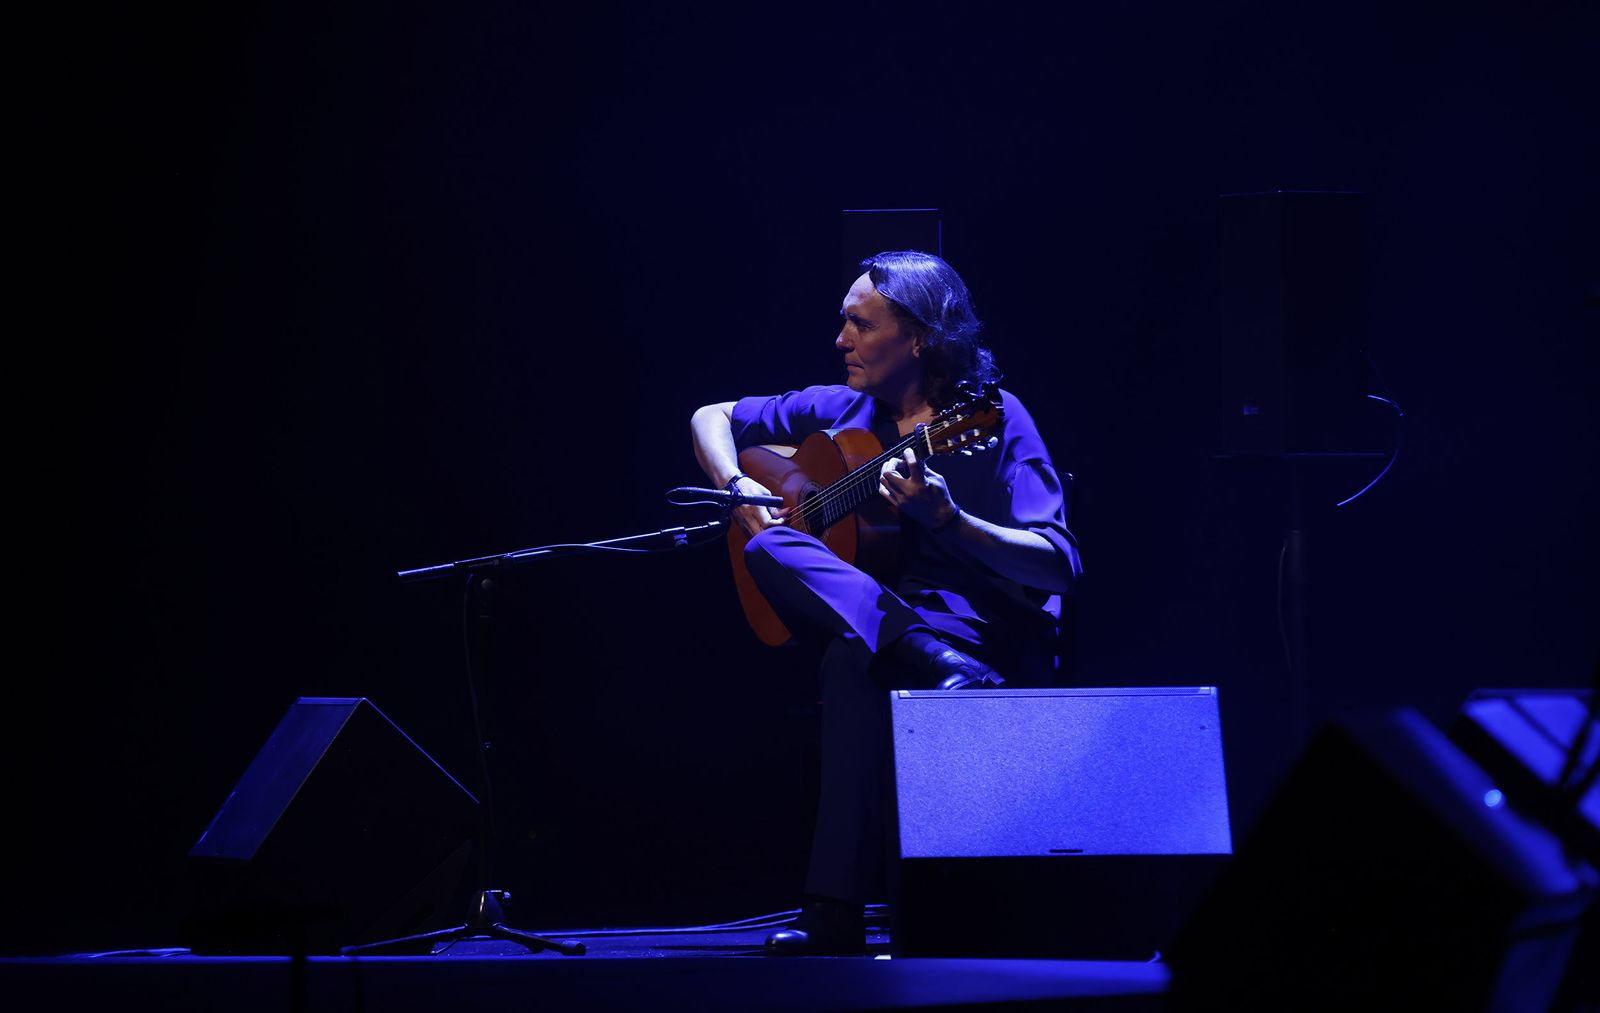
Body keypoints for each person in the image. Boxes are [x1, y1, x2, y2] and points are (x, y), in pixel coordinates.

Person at [690, 251, 1081, 955]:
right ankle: (916, 657)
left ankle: (832, 909)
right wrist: (738, 487)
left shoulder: (993, 417)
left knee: (850, 660)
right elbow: (710, 413)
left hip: (973, 634)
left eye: (860, 324)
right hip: (909, 637)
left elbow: (1060, 564)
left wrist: (952, 521)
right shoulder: (842, 408)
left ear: (920, 336)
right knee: (768, 546)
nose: (840, 339)